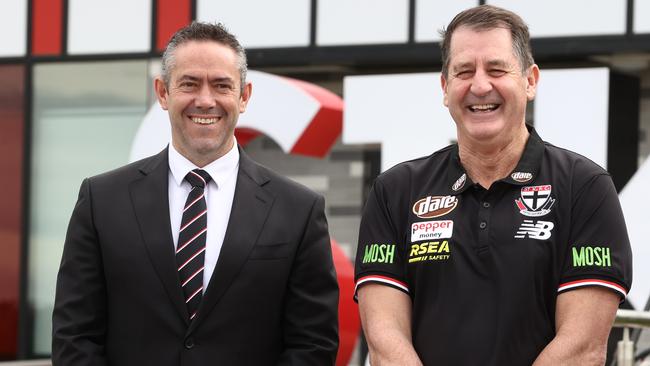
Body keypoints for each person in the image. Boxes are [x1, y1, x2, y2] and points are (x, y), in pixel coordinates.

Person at [354, 5, 632, 365]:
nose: (480, 86)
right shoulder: (394, 192)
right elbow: (386, 345)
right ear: (445, 87)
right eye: (464, 71)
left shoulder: (585, 188)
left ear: (530, 81)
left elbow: (581, 349)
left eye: (497, 69)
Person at [52, 22, 339, 366]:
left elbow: (313, 345)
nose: (205, 100)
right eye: (189, 84)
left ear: (244, 96)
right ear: (163, 92)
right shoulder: (101, 201)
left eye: (221, 85)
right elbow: (75, 337)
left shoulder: (299, 210)